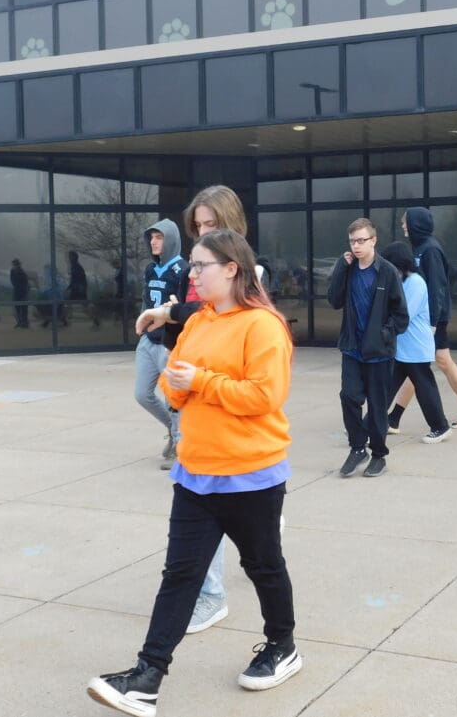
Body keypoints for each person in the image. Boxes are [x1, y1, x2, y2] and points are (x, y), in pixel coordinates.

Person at [88, 229, 300, 717]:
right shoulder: (199, 322)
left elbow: (264, 397)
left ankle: (282, 645)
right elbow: (175, 386)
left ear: (231, 269)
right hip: (196, 473)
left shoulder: (263, 326)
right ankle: (147, 676)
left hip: (251, 474)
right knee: (180, 575)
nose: (192, 274)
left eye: (201, 265)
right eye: (192, 266)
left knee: (263, 566)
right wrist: (180, 385)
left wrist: (200, 381)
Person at [134, 186, 258, 636]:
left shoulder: (247, 274)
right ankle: (208, 587)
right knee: (203, 504)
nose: (202, 233)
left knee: (209, 504)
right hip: (195, 403)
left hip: (223, 408)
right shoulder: (198, 272)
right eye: (198, 227)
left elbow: (216, 315)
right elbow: (197, 317)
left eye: (211, 224)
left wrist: (169, 313)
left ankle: (212, 596)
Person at [388, 207, 457, 434]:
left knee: (437, 362)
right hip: (428, 320)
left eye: (405, 222)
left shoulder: (430, 250)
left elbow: (437, 287)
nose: (403, 226)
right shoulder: (419, 248)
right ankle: (393, 418)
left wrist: (432, 323)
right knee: (418, 364)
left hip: (432, 320)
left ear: (415, 224)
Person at [328, 217, 409, 478]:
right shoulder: (349, 268)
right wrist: (341, 266)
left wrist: (384, 334)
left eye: (362, 240)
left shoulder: (386, 272)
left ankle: (379, 455)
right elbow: (334, 300)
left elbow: (401, 316)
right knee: (349, 397)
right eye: (352, 241)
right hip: (352, 348)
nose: (357, 245)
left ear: (374, 240)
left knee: (376, 407)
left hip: (378, 353)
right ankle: (357, 448)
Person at [380, 241, 452, 444]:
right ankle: (372, 424)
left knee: (425, 388)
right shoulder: (402, 281)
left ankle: (440, 426)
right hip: (403, 349)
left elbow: (404, 314)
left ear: (400, 265)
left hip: (416, 348)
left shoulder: (416, 283)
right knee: (386, 388)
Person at [135, 220, 187, 472]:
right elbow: (147, 300)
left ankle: (180, 445)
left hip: (168, 342)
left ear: (171, 239)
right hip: (148, 339)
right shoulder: (149, 269)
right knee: (142, 394)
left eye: (159, 237)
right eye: (152, 238)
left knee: (173, 399)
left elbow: (184, 308)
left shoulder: (182, 270)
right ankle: (172, 428)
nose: (154, 242)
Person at [10, 259, 30, 328]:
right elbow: (13, 282)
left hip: (23, 293)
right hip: (16, 293)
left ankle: (25, 323)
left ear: (18, 265)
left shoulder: (22, 273)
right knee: (17, 308)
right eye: (14, 265)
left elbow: (25, 284)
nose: (14, 266)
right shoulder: (12, 271)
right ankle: (19, 321)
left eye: (16, 264)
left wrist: (24, 292)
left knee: (24, 308)